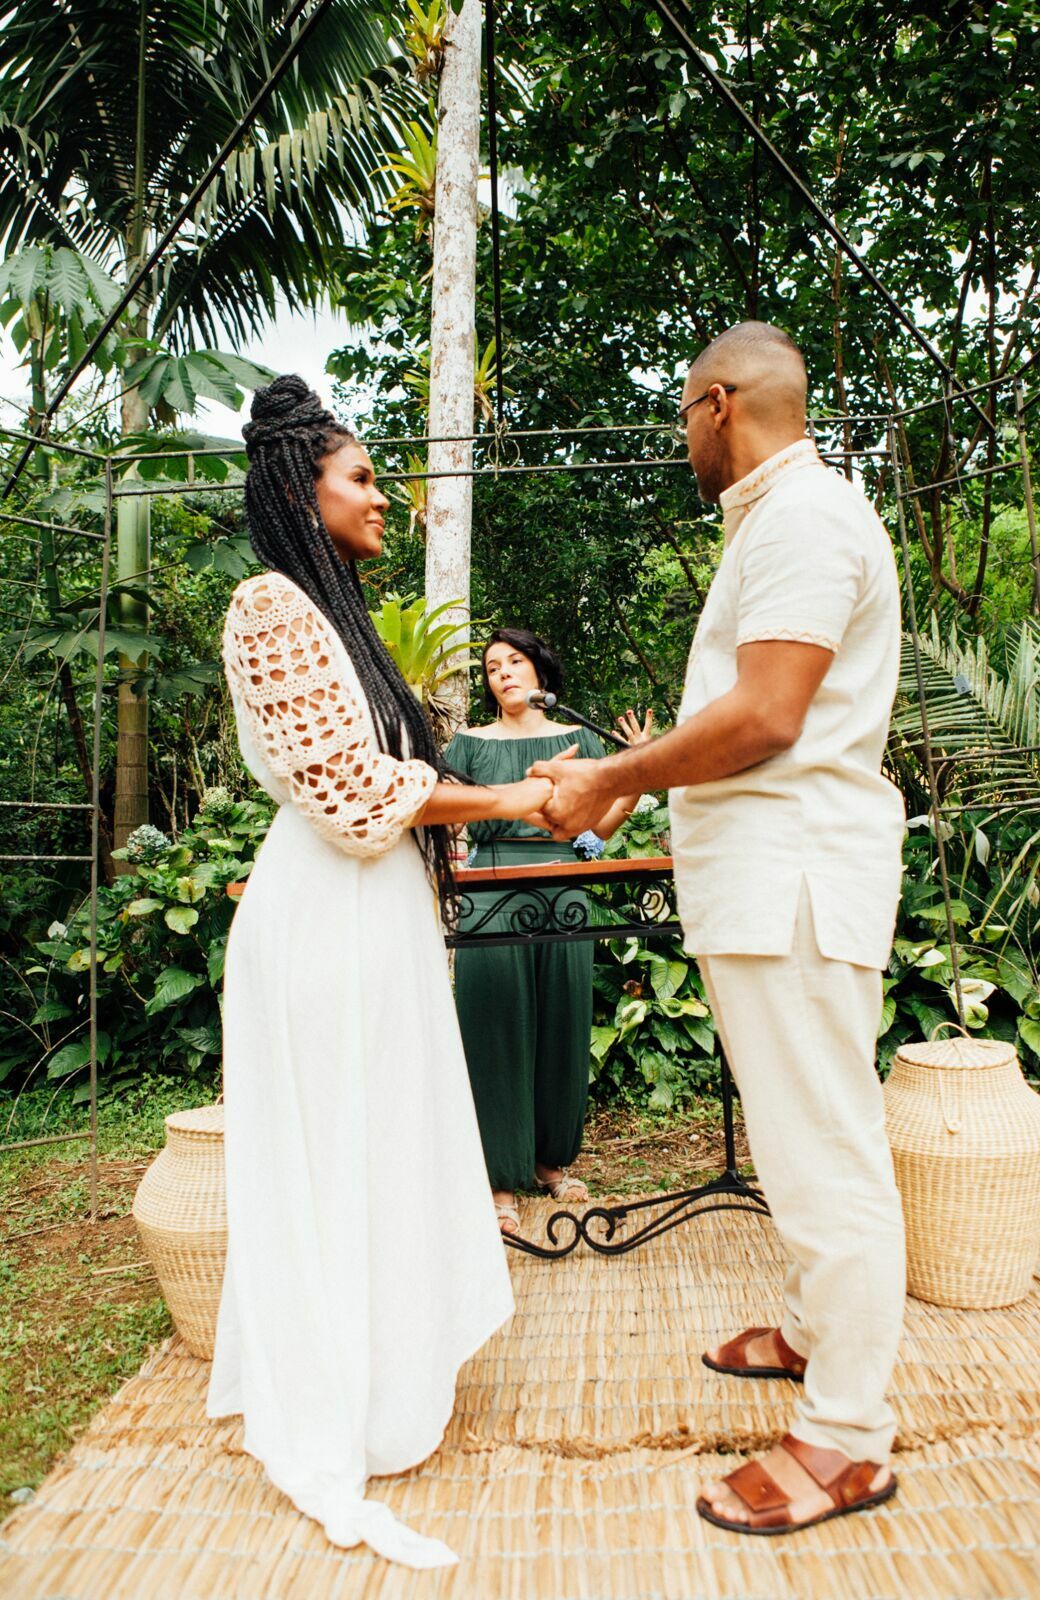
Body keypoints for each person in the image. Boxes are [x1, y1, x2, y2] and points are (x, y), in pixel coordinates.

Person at [529, 321, 907, 1537]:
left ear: (714, 403)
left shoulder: (801, 518)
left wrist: (613, 779)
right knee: (803, 1131)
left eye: (679, 420)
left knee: (821, 1148)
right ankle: (809, 1334)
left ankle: (847, 1438)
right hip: (769, 880)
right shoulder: (778, 519)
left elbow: (765, 714)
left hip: (793, 880)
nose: (679, 441)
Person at [207, 376, 562, 1568]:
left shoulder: (333, 611)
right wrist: (516, 792)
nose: (383, 499)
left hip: (382, 923)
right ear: (300, 491)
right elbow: (352, 799)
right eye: (361, 477)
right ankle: (341, 1405)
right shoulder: (269, 604)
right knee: (340, 1150)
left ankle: (390, 1388)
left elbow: (390, 781)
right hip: (324, 925)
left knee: (385, 1146)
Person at [445, 629, 651, 1234]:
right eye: (491, 667)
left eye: (515, 662)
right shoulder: (467, 745)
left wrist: (634, 776)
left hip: (563, 889)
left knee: (563, 1022)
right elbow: (453, 829)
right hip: (489, 889)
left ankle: (549, 1163)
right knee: (493, 1025)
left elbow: (594, 836)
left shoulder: (579, 739)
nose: (503, 673)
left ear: (540, 672)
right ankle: (498, 1180)